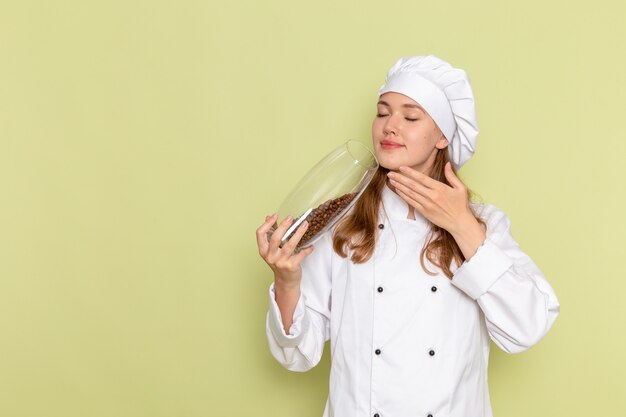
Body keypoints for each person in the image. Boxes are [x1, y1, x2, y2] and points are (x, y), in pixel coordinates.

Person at [255, 55, 560, 417]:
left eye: (410, 116)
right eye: (383, 112)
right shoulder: (343, 222)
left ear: (442, 136)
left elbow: (527, 327)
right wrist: (287, 280)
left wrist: (461, 225)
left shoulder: (483, 224)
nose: (390, 126)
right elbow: (298, 354)